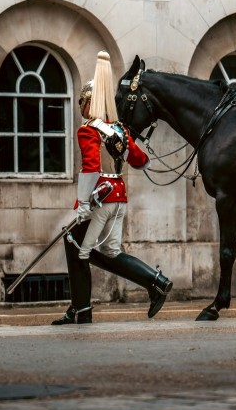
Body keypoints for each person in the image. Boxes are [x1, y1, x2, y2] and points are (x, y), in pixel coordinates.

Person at [52, 50, 173, 325]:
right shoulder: (118, 129)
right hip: (119, 196)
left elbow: (91, 167)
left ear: (87, 104)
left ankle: (80, 310)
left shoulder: (88, 130)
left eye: (83, 102)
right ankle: (156, 281)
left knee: (73, 243)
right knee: (110, 252)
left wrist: (83, 203)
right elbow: (141, 161)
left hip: (100, 197)